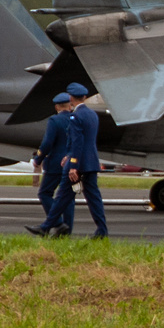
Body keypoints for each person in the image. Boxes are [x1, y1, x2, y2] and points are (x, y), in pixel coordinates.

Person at [29, 83, 107, 239]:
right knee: (92, 198)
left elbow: (77, 142)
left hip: (77, 167)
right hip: (90, 164)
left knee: (62, 196)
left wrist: (73, 165)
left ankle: (47, 226)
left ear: (71, 98)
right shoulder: (92, 115)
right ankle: (102, 230)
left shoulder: (76, 116)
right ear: (85, 97)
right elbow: (87, 142)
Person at [32, 93, 76, 236]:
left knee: (45, 193)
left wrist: (38, 158)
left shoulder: (54, 120)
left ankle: (57, 222)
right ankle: (67, 230)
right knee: (68, 197)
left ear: (56, 107)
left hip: (55, 164)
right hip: (73, 163)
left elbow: (47, 143)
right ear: (70, 105)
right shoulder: (76, 120)